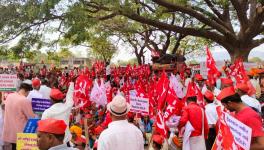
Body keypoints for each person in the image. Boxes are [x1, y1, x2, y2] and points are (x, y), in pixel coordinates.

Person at [2, 83, 36, 150]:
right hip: (20, 132)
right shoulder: (24, 100)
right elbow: (31, 117)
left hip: (10, 130)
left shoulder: (10, 96)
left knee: (13, 147)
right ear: (27, 91)